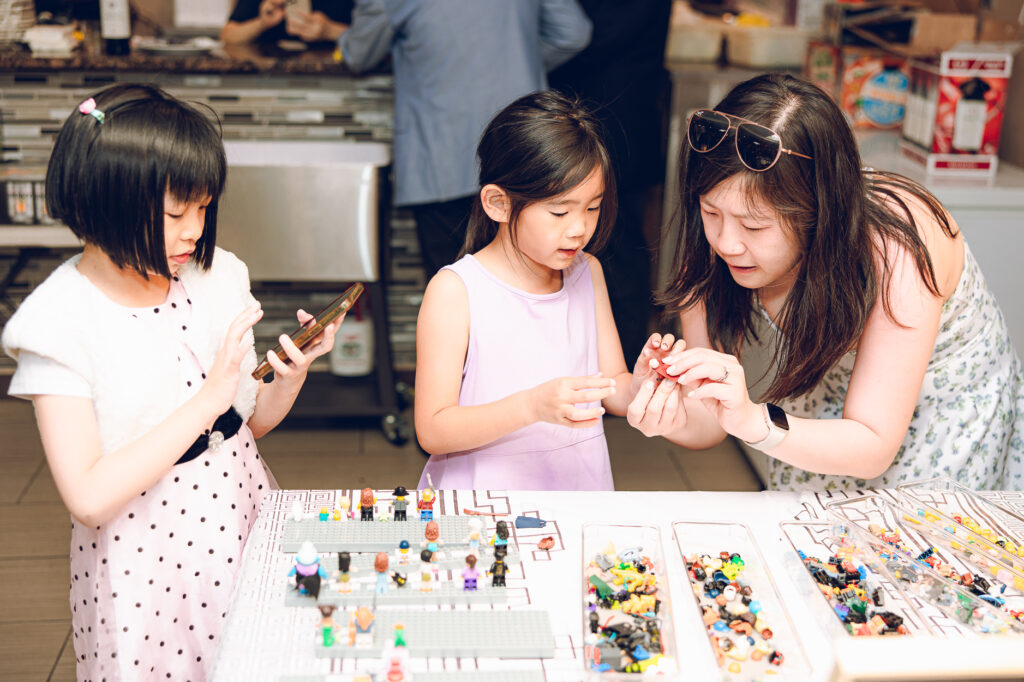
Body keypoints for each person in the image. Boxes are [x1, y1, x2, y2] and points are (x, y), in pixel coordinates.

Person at [0, 83, 342, 680]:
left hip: (242, 513)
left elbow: (245, 423)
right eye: (174, 213)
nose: (193, 231)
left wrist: (286, 379)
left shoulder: (218, 275)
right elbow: (88, 497)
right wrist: (209, 397)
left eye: (204, 208)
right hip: (145, 557)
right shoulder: (60, 323)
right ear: (104, 203)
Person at [627, 73, 1024, 491]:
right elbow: (712, 422)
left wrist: (754, 419)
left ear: (818, 211)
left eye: (755, 227)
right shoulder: (719, 236)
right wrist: (666, 413)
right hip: (828, 401)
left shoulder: (898, 245)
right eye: (710, 213)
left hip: (940, 414)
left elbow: (872, 444)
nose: (727, 243)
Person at [414, 90, 632, 491]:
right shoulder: (456, 291)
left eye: (593, 207)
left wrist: (651, 383)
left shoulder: (588, 273)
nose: (579, 228)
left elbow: (614, 386)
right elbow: (432, 428)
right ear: (498, 204)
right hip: (485, 498)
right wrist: (531, 406)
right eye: (559, 211)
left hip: (577, 485)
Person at [338, 0, 592, 279]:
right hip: (521, 150)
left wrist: (331, 32)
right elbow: (573, 32)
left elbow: (358, 53)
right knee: (528, 287)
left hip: (442, 156)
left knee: (455, 294)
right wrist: (516, 58)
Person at [548, 0, 672, 361]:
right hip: (615, 113)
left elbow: (588, 37)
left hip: (614, 117)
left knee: (618, 242)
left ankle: (625, 363)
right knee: (611, 242)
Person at [220, 0, 351, 45]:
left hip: (336, 77)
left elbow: (370, 42)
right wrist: (262, 23)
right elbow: (228, 35)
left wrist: (330, 30)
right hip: (269, 79)